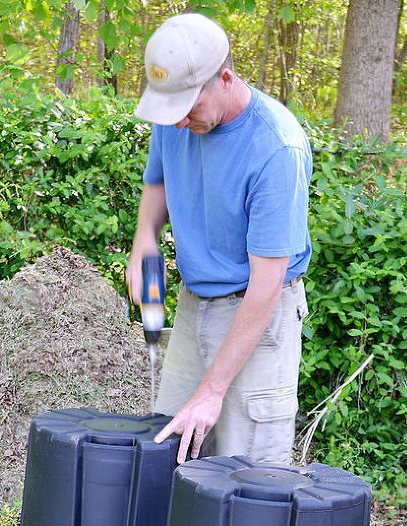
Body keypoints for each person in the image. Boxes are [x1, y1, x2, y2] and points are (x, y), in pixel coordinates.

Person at [126, 12, 312, 466]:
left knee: (245, 476)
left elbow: (265, 286)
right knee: (170, 449)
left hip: (257, 315)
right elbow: (159, 182)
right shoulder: (175, 113)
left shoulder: (276, 149)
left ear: (224, 79)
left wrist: (213, 390)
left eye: (189, 109)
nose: (178, 123)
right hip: (195, 307)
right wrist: (144, 239)